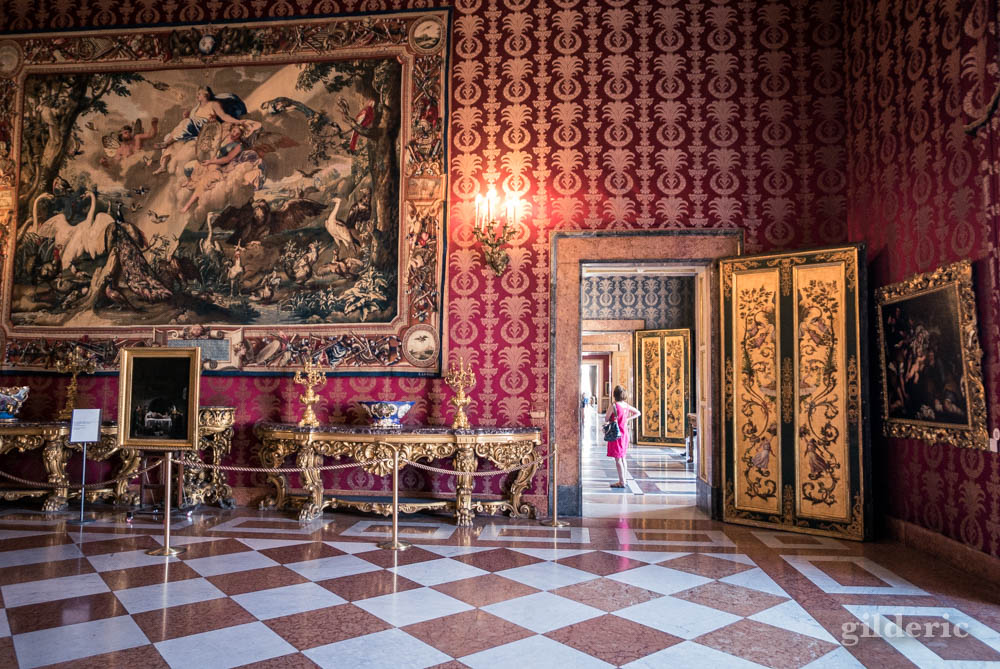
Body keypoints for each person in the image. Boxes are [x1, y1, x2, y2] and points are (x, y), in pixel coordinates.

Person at [153, 86, 248, 174]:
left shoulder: (213, 104)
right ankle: (163, 165)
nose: (197, 96)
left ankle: (166, 143)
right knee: (169, 136)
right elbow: (187, 126)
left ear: (206, 94)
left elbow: (224, 116)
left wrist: (238, 122)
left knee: (185, 123)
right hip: (195, 130)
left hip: (206, 128)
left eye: (199, 94)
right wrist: (185, 117)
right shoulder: (196, 108)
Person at [604, 384, 641, 489]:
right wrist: (627, 419)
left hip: (616, 433)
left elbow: (606, 419)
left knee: (618, 459)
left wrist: (613, 417)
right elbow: (638, 413)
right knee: (623, 457)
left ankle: (621, 481)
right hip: (624, 433)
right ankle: (624, 479)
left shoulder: (614, 405)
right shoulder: (626, 405)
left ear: (614, 395)